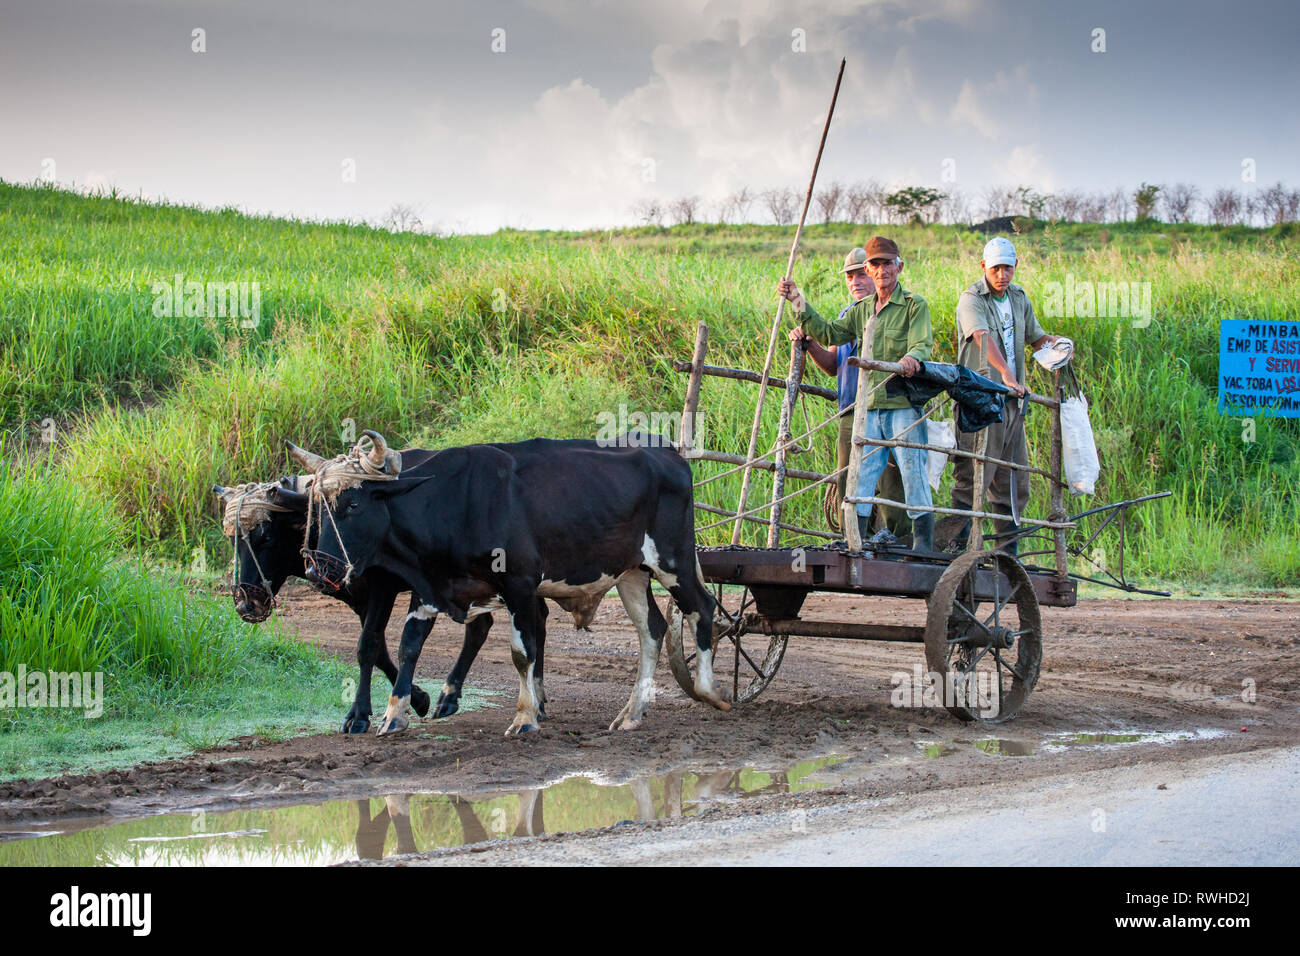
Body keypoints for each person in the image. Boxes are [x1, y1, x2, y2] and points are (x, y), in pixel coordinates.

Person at [778, 236, 934, 551]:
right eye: (875, 265)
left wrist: (911, 359)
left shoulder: (914, 305)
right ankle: (855, 542)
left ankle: (922, 545)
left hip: (902, 405)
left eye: (887, 263)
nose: (881, 271)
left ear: (899, 266)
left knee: (911, 473)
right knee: (861, 478)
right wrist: (797, 300)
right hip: (870, 408)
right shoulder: (861, 310)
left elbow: (921, 344)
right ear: (868, 268)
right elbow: (829, 333)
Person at [951, 236, 1068, 553]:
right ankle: (951, 553)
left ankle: (1007, 558)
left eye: (1007, 268)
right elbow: (980, 336)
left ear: (1016, 267)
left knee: (1012, 483)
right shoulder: (971, 298)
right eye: (996, 268)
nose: (1002, 274)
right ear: (983, 267)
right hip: (981, 403)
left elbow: (1035, 338)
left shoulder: (1018, 297)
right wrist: (1006, 374)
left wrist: (1055, 344)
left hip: (1012, 405)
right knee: (972, 480)